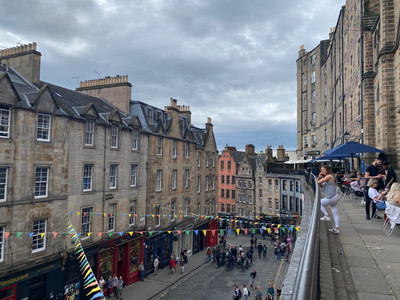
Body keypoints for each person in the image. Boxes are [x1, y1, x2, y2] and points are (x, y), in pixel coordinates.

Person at [318, 165, 340, 234]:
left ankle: (327, 216)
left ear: (327, 170)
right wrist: (319, 177)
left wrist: (319, 178)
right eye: (321, 170)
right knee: (335, 212)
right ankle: (337, 228)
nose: (322, 171)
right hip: (334, 196)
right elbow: (320, 185)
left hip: (331, 197)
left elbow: (318, 182)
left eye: (323, 170)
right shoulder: (326, 178)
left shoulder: (329, 176)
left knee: (319, 203)